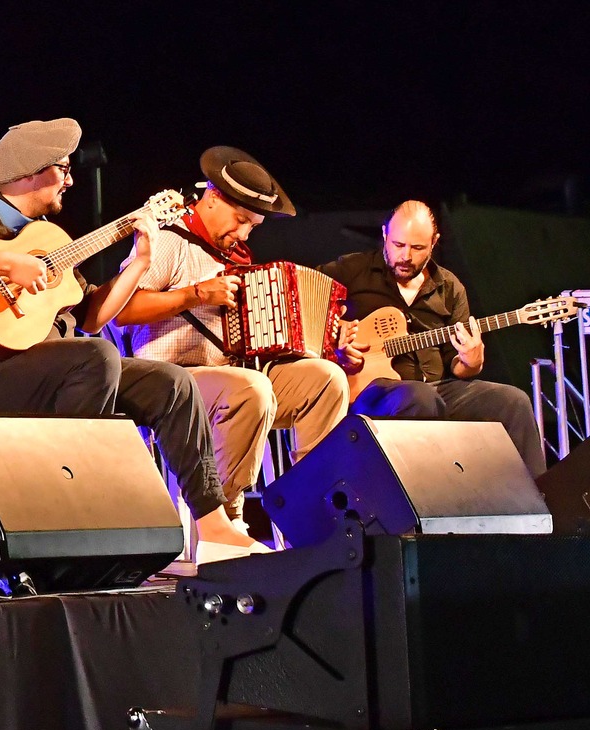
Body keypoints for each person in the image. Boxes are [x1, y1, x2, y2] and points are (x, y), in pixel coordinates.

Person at [0, 118, 234, 554]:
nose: (70, 180)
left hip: (62, 371)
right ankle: (73, 507)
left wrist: (138, 264)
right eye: (63, 168)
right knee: (96, 357)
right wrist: (8, 264)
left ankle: (213, 526)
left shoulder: (44, 235)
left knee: (173, 383)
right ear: (30, 171)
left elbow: (90, 317)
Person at [109, 147, 347, 548]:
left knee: (327, 380)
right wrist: (196, 294)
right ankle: (223, 522)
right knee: (251, 389)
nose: (245, 234)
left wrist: (303, 338)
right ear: (213, 198)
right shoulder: (170, 241)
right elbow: (121, 311)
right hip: (174, 384)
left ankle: (310, 510)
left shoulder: (235, 256)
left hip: (234, 378)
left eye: (253, 226)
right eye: (241, 220)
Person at [324, 201, 544, 476]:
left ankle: (542, 497)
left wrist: (471, 362)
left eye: (417, 248)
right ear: (384, 234)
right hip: (372, 393)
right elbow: (303, 302)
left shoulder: (449, 287)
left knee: (514, 401)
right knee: (419, 397)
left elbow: (458, 367)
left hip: (438, 390)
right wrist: (335, 333)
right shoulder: (352, 271)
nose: (406, 256)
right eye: (398, 244)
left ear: (434, 243)